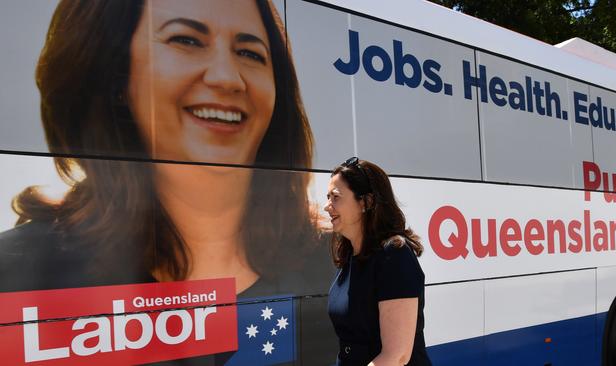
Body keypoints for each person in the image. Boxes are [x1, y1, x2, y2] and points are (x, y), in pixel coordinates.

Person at [0, 0, 335, 364]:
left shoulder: (332, 259)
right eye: (187, 41)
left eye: (249, 53)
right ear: (114, 77)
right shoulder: (21, 270)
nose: (227, 76)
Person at [325, 157, 432, 366]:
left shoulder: (394, 255)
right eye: (328, 197)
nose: (327, 206)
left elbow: (397, 356)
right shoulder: (350, 257)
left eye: (336, 197)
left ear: (367, 202)